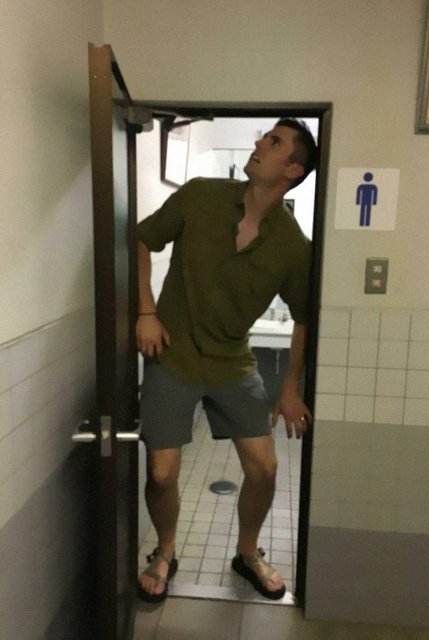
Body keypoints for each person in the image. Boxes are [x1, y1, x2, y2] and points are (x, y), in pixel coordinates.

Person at [136, 118, 317, 603]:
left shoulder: (293, 246)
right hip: (172, 354)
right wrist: (146, 311)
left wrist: (290, 388)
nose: (260, 143)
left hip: (233, 363)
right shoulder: (201, 195)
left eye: (274, 142)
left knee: (265, 468)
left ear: (293, 170)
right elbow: (142, 239)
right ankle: (165, 551)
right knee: (160, 473)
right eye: (264, 137)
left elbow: (303, 318)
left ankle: (248, 552)